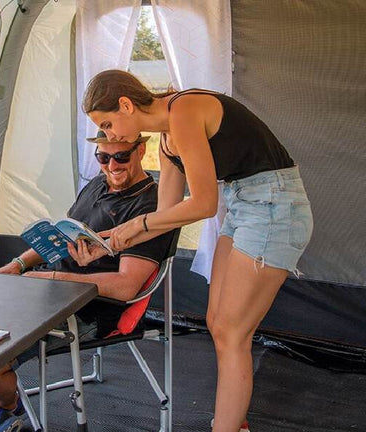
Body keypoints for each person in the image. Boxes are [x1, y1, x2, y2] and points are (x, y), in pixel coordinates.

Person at [79, 70, 313, 432]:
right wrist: (106, 243)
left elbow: (204, 204)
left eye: (107, 124)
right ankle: (234, 423)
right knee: (218, 324)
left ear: (126, 104)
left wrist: (135, 227)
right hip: (246, 205)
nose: (108, 137)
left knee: (232, 333)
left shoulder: (183, 111)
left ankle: (227, 427)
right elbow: (164, 216)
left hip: (274, 207)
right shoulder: (167, 138)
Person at [0, 131, 175, 432]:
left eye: (121, 156)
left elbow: (127, 286)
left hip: (87, 309)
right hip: (50, 289)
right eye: (103, 157)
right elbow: (59, 237)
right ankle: (0, 409)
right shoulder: (98, 184)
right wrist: (17, 264)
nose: (112, 165)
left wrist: (52, 277)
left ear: (141, 150)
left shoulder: (149, 207)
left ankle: (0, 409)